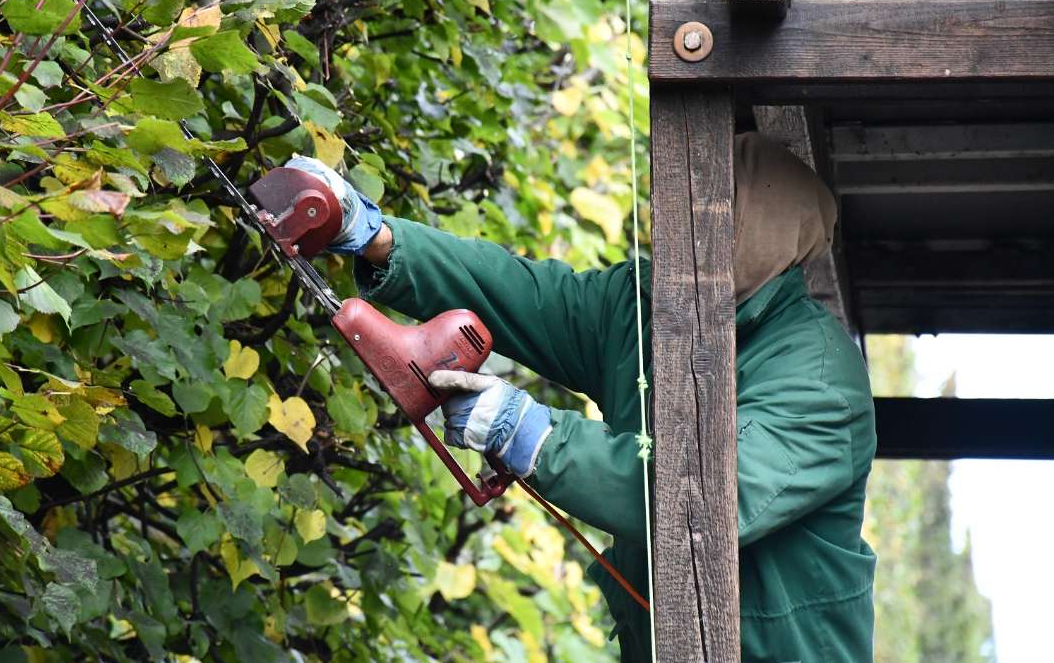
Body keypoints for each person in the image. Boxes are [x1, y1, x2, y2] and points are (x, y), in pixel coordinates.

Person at [285, 132, 876, 662]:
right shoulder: (650, 306)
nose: (676, 223)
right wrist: (375, 236)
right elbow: (521, 293)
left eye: (713, 212)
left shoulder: (822, 380)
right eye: (680, 202)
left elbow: (702, 503)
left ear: (765, 236)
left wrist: (530, 434)